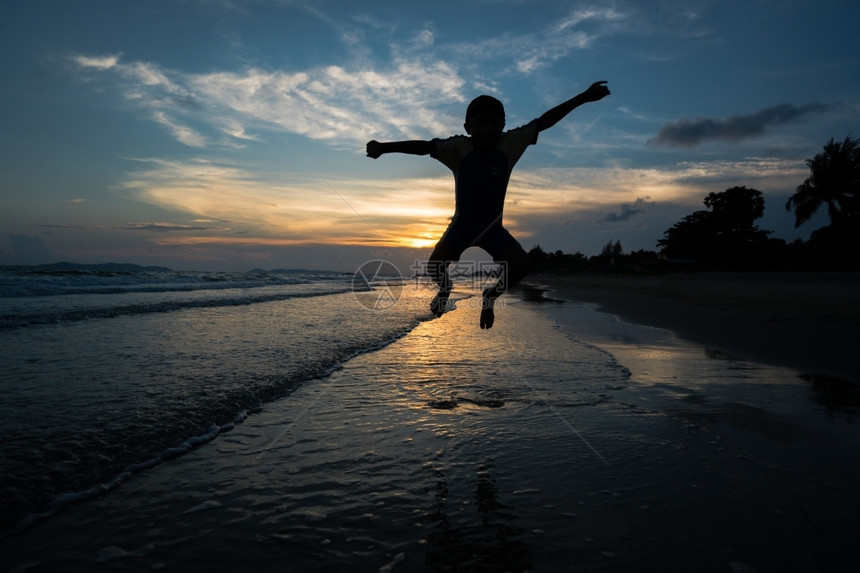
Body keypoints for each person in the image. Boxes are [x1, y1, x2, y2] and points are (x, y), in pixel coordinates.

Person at [366, 80, 610, 329]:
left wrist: (583, 97)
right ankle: (445, 289)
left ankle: (490, 296)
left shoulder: (509, 144)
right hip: (462, 226)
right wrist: (385, 148)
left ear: (503, 125)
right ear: (467, 127)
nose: (488, 130)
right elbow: (424, 147)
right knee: (434, 265)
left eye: (495, 124)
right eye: (480, 124)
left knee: (522, 265)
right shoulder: (459, 148)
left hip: (492, 228)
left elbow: (545, 120)